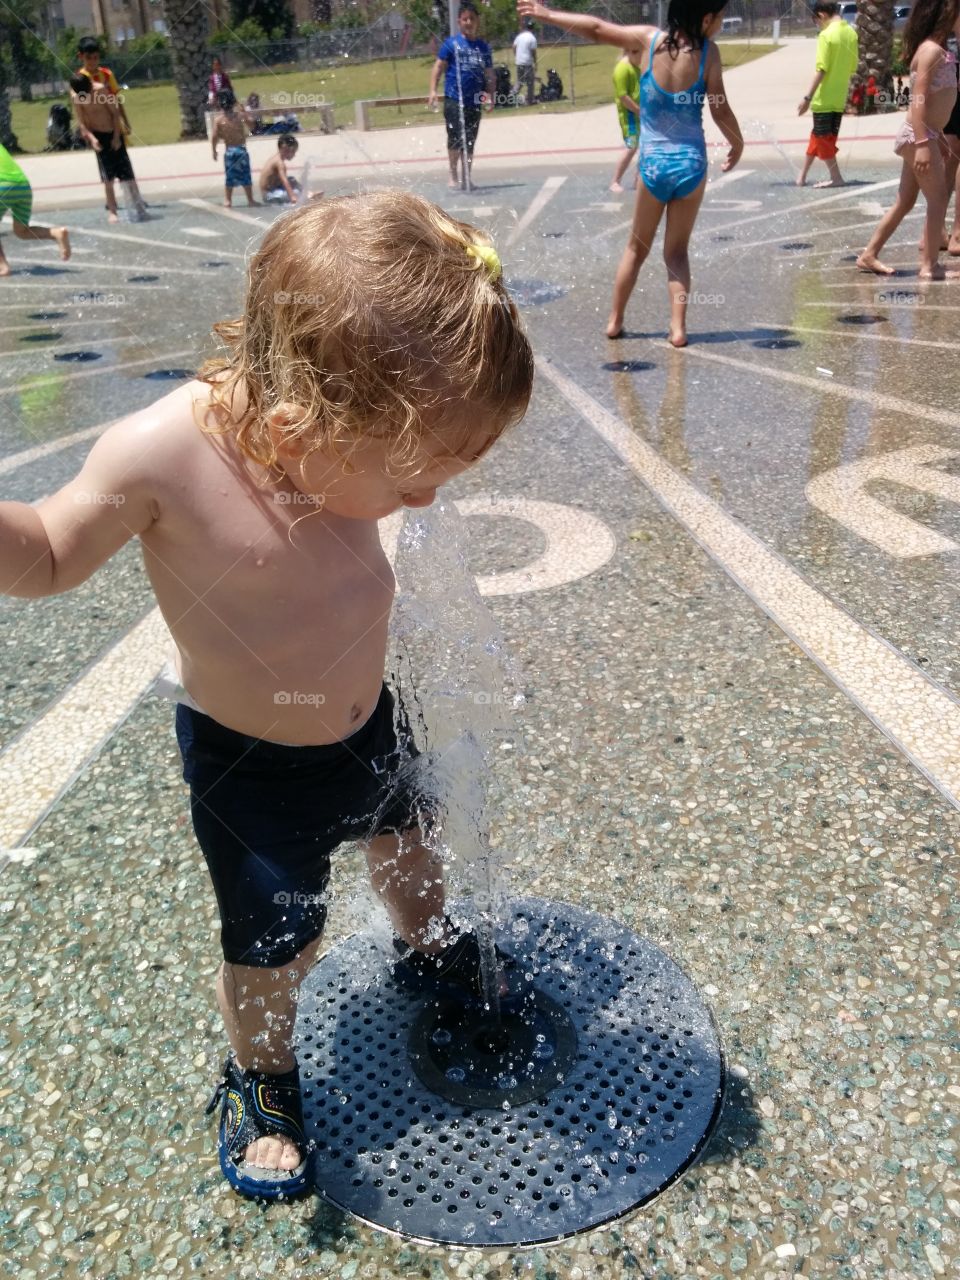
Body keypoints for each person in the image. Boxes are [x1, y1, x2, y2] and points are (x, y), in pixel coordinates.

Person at [0, 191, 534, 1200]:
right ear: (305, 422)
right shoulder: (158, 454)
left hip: (371, 719)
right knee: (276, 947)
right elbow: (53, 551)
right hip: (253, 770)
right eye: (413, 477)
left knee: (410, 849)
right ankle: (265, 1077)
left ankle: (425, 946)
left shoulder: (341, 439)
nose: (427, 500)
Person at [518, 0, 741, 347]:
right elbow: (719, 107)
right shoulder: (709, 54)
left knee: (635, 250)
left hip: (652, 166)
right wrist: (737, 142)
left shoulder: (647, 41)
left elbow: (595, 29)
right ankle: (678, 329)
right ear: (707, 18)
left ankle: (614, 320)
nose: (721, 24)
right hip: (691, 165)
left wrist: (548, 15)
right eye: (721, 18)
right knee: (676, 253)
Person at [857, 0, 960, 278]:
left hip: (926, 135)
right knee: (938, 198)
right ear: (948, 15)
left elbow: (935, 108)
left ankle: (869, 254)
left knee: (905, 201)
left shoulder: (940, 51)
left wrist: (937, 138)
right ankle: (929, 266)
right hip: (918, 137)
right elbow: (918, 101)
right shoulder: (931, 52)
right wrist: (924, 145)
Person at [428, 3, 495, 190]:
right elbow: (438, 67)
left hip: (474, 101)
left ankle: (467, 176)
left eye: (472, 19)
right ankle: (453, 174)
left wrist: (490, 94)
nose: (468, 22)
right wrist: (433, 90)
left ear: (477, 21)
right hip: (453, 99)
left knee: (470, 139)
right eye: (465, 19)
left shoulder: (483, 47)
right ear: (459, 21)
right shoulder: (451, 44)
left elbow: (489, 73)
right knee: (455, 138)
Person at [69, 72, 147, 223]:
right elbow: (82, 122)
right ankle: (113, 211)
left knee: (128, 176)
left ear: (90, 85)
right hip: (98, 137)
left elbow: (115, 113)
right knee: (107, 178)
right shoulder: (77, 96)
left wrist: (117, 137)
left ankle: (139, 207)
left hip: (113, 132)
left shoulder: (100, 90)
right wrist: (92, 139)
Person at [796, 2, 859, 189]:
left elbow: (821, 69)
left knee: (824, 140)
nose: (818, 25)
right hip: (839, 98)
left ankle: (836, 177)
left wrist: (807, 97)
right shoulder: (852, 34)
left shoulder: (826, 35)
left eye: (816, 21)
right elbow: (852, 67)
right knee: (819, 137)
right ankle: (802, 175)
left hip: (823, 99)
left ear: (822, 15)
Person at [0, 142, 70, 277]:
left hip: (2, 185)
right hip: (23, 186)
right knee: (21, 231)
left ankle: (2, 266)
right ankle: (55, 233)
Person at [211, 89, 258, 209]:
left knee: (230, 177)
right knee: (246, 176)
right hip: (241, 150)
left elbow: (214, 137)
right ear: (233, 102)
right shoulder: (240, 115)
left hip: (229, 152)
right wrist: (244, 111)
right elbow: (252, 125)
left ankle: (228, 200)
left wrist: (214, 150)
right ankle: (250, 199)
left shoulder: (219, 120)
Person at [76, 36, 131, 137]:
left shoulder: (107, 74)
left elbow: (117, 100)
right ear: (80, 56)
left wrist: (126, 122)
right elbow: (79, 108)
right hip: (96, 129)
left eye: (96, 57)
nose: (92, 61)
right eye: (88, 58)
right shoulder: (79, 78)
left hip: (114, 127)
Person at [610, 48, 642, 193]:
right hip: (630, 116)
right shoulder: (622, 68)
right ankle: (615, 181)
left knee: (646, 147)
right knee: (631, 147)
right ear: (631, 51)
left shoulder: (636, 66)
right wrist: (638, 110)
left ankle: (638, 180)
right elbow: (623, 97)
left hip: (641, 114)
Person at [259, 134, 323, 204]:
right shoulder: (280, 163)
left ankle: (308, 193)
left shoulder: (276, 158)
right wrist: (292, 196)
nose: (294, 155)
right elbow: (284, 181)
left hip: (271, 190)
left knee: (292, 180)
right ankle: (306, 196)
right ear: (287, 150)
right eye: (294, 151)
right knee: (295, 192)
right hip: (269, 196)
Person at [514, 18, 538, 105]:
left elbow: (514, 46)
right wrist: (535, 62)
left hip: (519, 62)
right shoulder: (532, 38)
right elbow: (533, 52)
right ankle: (530, 101)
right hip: (527, 63)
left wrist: (516, 56)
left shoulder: (519, 36)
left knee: (520, 81)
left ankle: (511, 96)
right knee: (530, 83)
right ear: (533, 28)